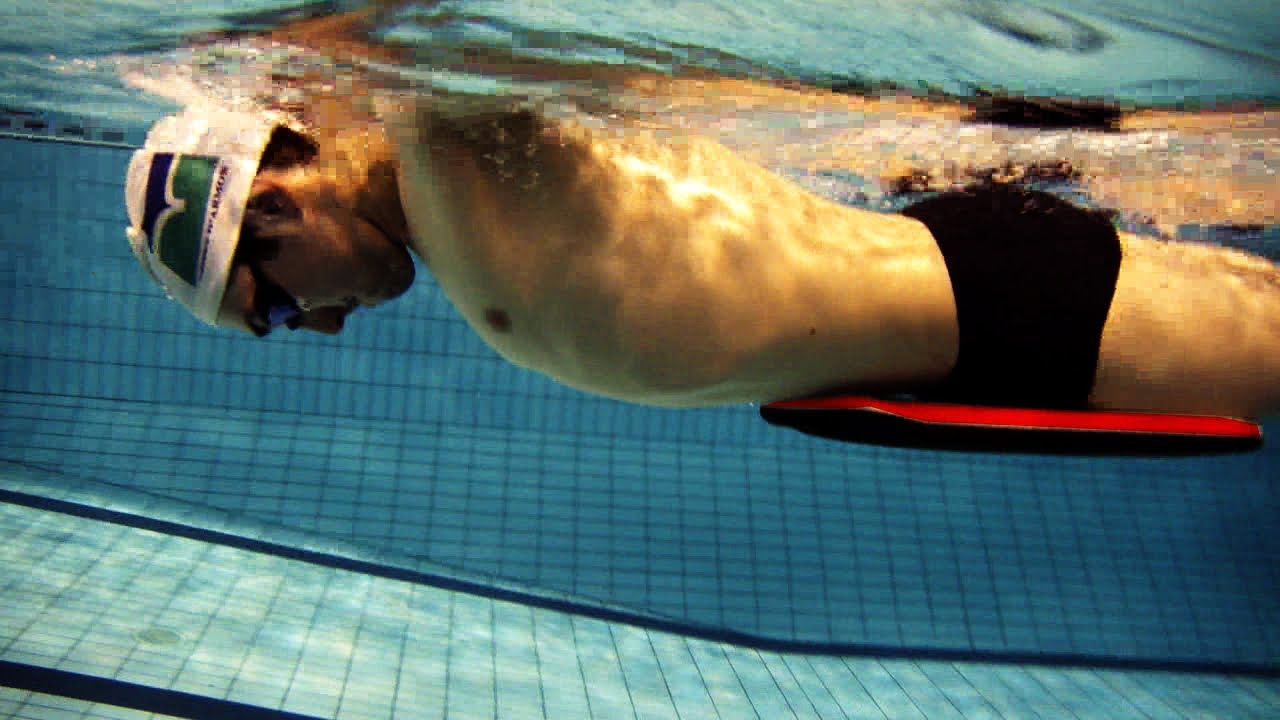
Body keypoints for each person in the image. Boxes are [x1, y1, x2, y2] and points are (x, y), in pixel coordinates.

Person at [125, 93, 1280, 420]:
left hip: (1002, 304)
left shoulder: (440, 128)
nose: (315, 329)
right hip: (955, 336)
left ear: (269, 205)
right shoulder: (457, 186)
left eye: (270, 311)